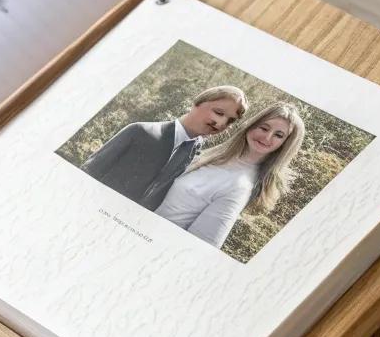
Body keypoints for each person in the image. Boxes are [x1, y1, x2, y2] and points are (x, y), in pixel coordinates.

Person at [155, 101, 306, 251]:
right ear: (252, 125)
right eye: (264, 128)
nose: (267, 138)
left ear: (285, 144)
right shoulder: (216, 156)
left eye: (279, 135)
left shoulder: (240, 186)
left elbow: (200, 247)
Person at [81, 84, 247, 211]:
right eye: (218, 112)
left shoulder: (196, 158)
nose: (221, 123)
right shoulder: (140, 131)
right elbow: (88, 172)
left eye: (230, 121)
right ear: (198, 103)